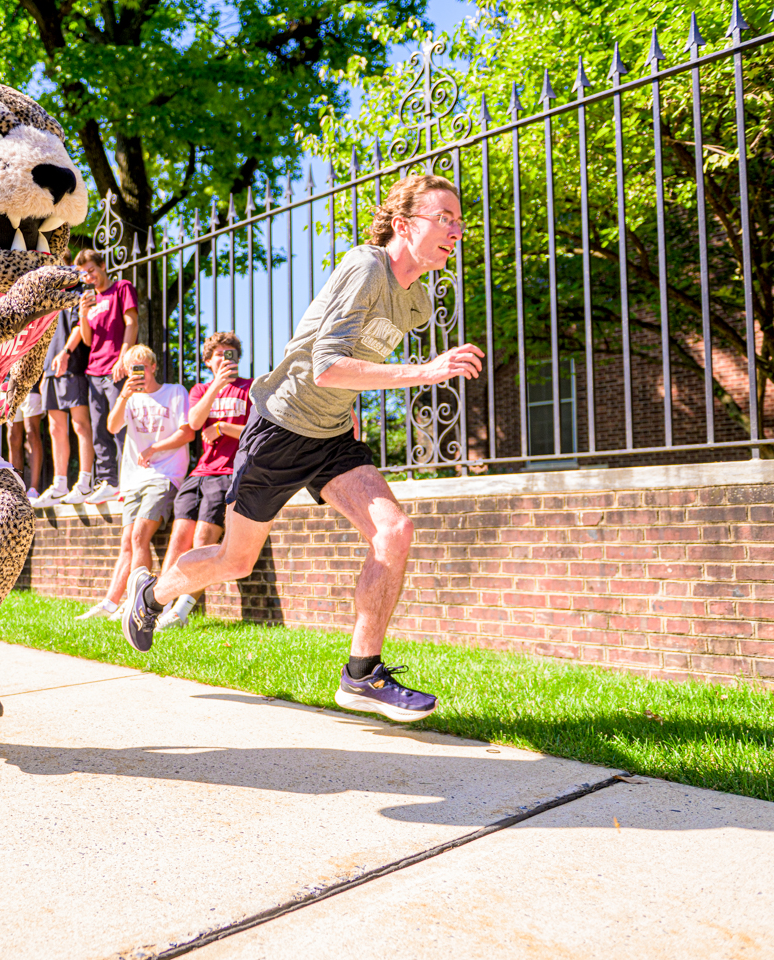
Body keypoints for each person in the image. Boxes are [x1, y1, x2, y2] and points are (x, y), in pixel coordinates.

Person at [122, 175, 484, 724]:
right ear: (406, 224)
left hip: (335, 434)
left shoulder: (417, 301)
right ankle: (148, 598)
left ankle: (362, 676)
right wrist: (426, 370)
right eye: (444, 218)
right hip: (282, 429)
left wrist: (355, 413)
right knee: (235, 561)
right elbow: (327, 365)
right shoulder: (365, 267)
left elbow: (354, 369)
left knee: (395, 530)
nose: (456, 230)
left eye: (459, 221)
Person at [76, 345, 192, 620]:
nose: (138, 373)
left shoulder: (175, 392)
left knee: (140, 535)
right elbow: (112, 427)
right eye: (132, 369)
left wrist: (153, 449)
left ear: (153, 367)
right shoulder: (129, 399)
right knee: (127, 541)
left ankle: (137, 603)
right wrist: (123, 396)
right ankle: (110, 603)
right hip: (134, 479)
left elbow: (186, 433)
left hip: (165, 474)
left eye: (142, 367)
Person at [155, 332, 253, 630]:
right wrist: (217, 387)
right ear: (208, 361)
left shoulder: (250, 388)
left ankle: (180, 613)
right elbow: (195, 423)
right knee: (179, 540)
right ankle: (158, 604)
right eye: (219, 354)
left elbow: (256, 430)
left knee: (203, 540)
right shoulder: (200, 389)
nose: (225, 358)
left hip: (228, 473)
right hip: (199, 473)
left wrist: (224, 426)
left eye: (231, 353)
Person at [76, 248, 138, 505]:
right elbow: (88, 340)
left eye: (91, 270)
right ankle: (108, 481)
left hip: (116, 368)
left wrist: (123, 357)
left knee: (121, 426)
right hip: (94, 370)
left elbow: (132, 322)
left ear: (102, 265)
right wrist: (82, 314)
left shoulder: (122, 287)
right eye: (84, 274)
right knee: (100, 427)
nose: (89, 277)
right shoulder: (89, 299)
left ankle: (128, 480)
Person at [30, 301, 94, 507]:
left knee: (80, 425)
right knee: (55, 429)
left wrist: (65, 353)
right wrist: (42, 374)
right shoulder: (45, 301)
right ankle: (60, 485)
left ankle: (85, 482)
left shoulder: (77, 294)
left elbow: (79, 326)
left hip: (73, 366)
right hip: (49, 371)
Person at [6, 385, 44, 501]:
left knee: (32, 432)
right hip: (9, 384)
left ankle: (34, 489)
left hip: (32, 382)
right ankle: (16, 490)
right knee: (13, 437)